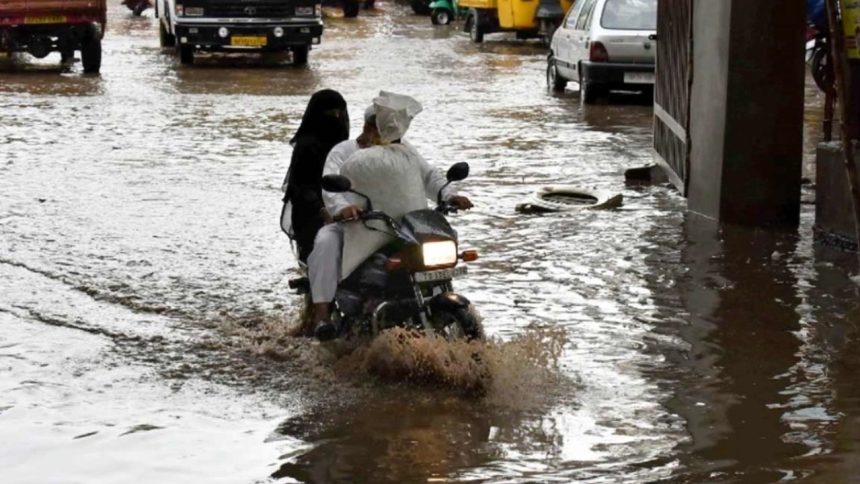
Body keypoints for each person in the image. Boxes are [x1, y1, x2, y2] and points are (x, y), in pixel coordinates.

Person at [308, 92, 472, 340]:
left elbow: (429, 176)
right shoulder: (344, 152)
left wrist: (448, 195)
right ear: (369, 127)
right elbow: (329, 186)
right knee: (325, 241)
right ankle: (322, 315)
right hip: (356, 226)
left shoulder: (404, 151)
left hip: (402, 226)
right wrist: (342, 208)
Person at [280, 89, 350, 263]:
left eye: (340, 113)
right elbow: (300, 186)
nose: (337, 118)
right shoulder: (306, 146)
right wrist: (321, 210)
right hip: (311, 212)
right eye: (331, 114)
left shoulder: (345, 147)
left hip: (341, 208)